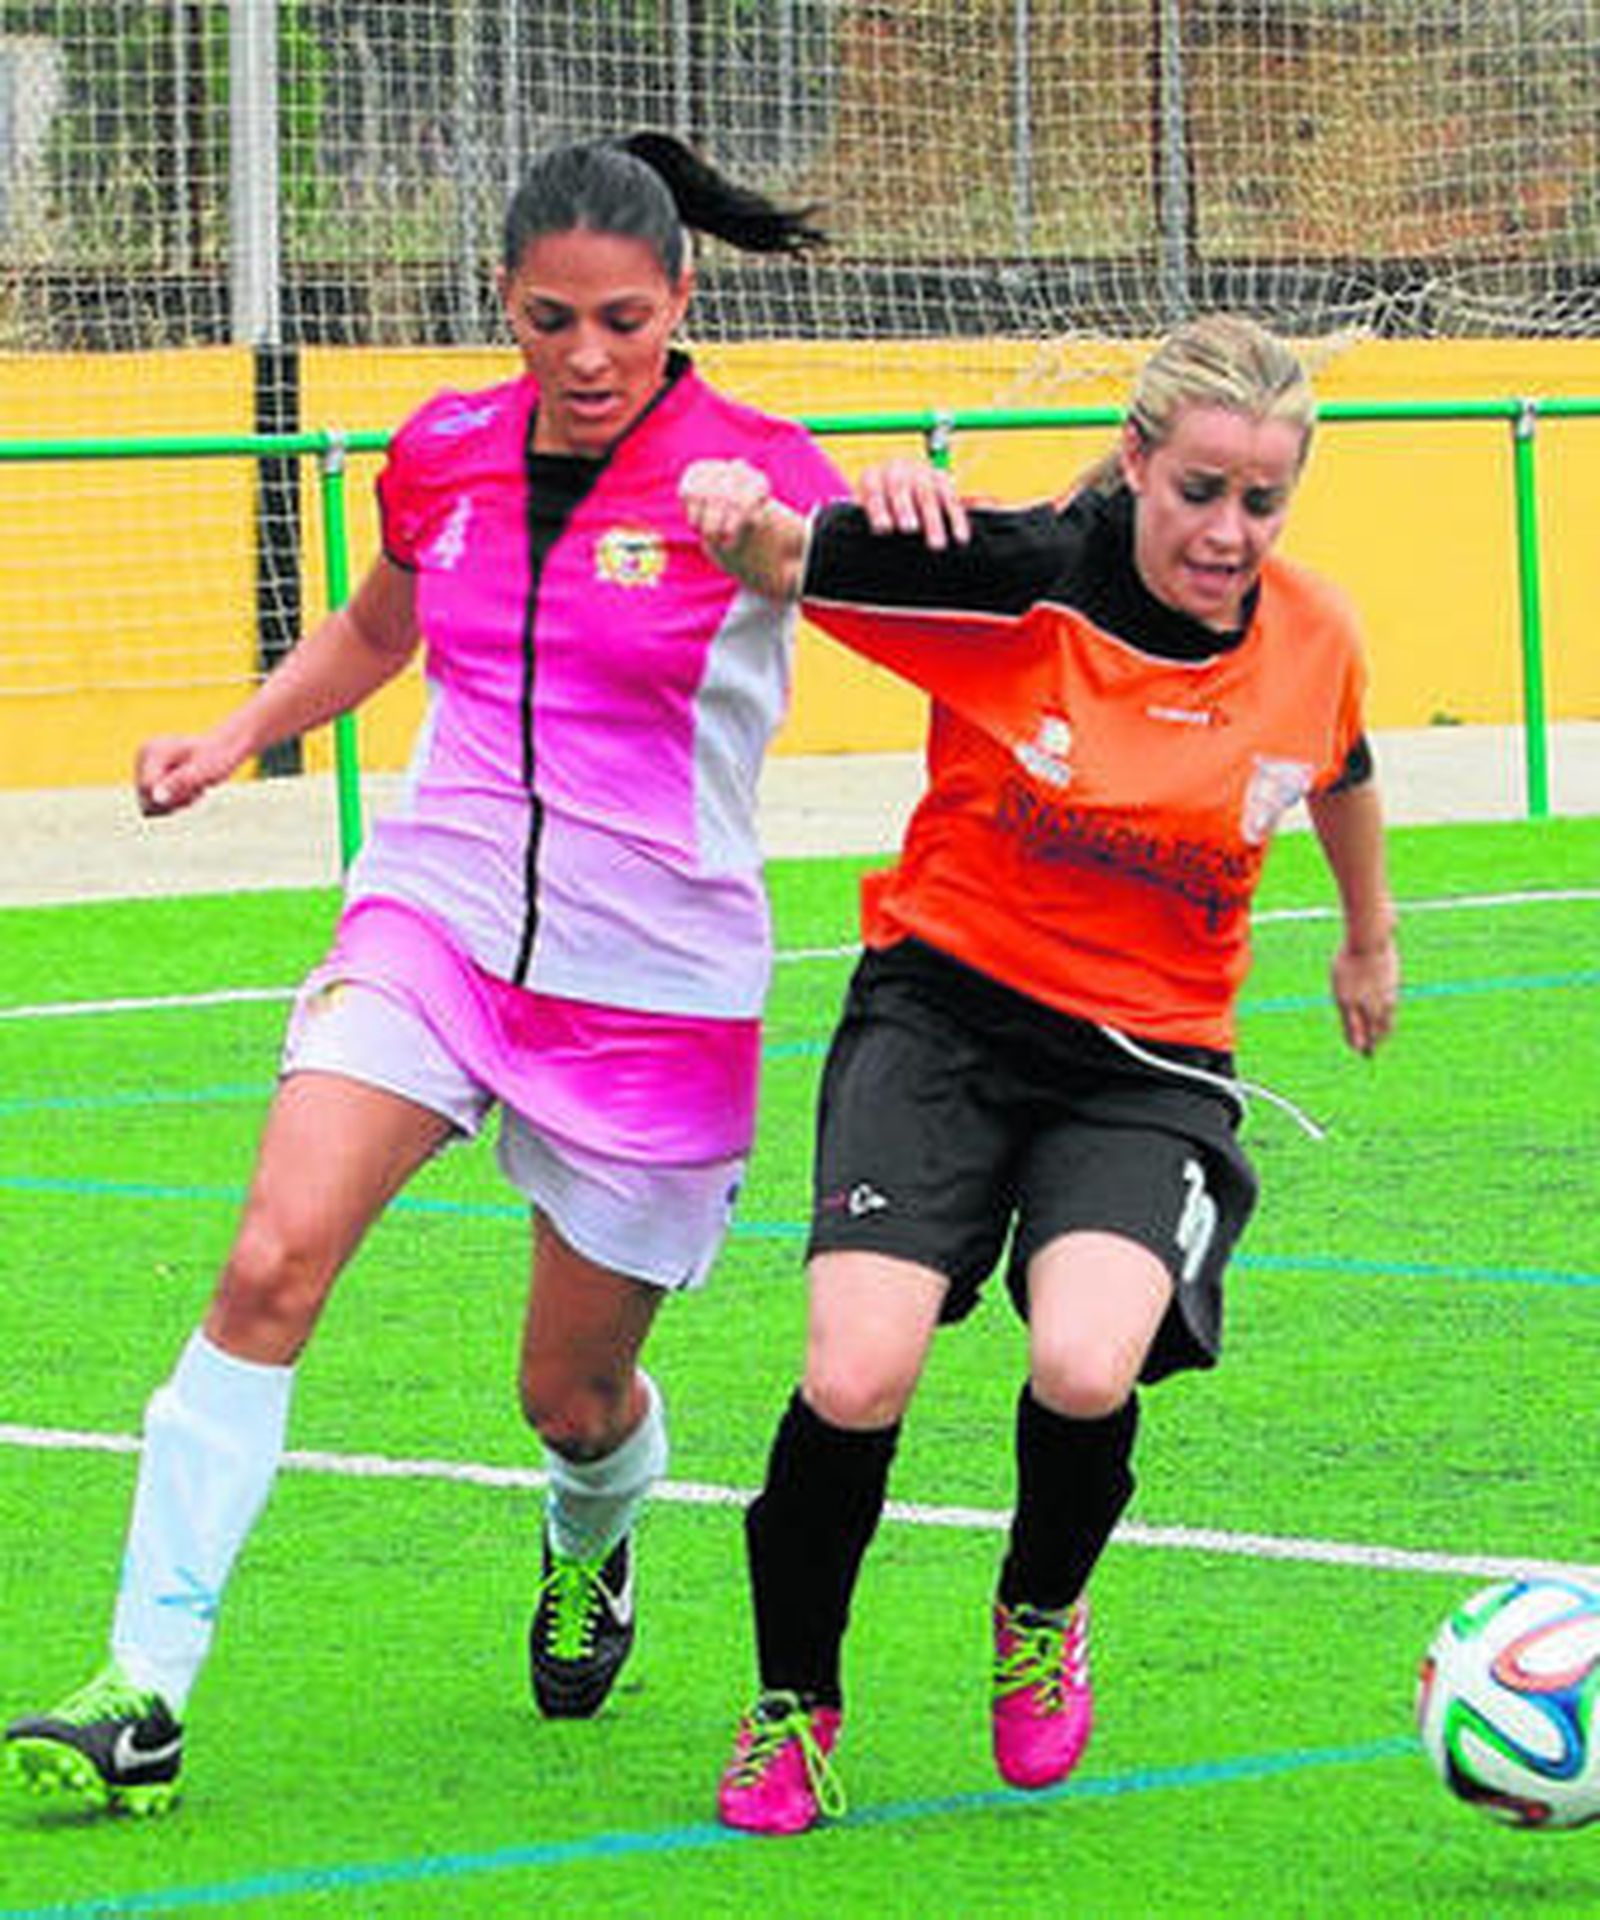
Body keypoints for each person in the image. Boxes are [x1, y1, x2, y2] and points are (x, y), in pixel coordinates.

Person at [3, 131, 846, 1818]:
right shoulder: (444, 451)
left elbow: (828, 577)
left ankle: (590, 1539)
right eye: (551, 319)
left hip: (655, 985)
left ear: (683, 298)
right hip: (437, 916)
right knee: (268, 1263)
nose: (590, 356)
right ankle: (145, 1684)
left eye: (624, 318)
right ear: (506, 307)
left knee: (573, 1389)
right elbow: (382, 629)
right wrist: (241, 732)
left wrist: (770, 538)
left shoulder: (759, 468)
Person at [680, 312, 1401, 1834]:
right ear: (1137, 461)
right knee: (856, 1371)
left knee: (1086, 1362)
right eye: (1199, 489)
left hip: (1149, 1062)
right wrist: (745, 513)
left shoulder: (1315, 634)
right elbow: (786, 560)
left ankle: (1037, 1612)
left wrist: (1367, 938)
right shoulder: (1010, 580)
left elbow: (1339, 768)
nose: (1228, 531)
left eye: (1261, 502)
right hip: (942, 1016)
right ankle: (794, 1707)